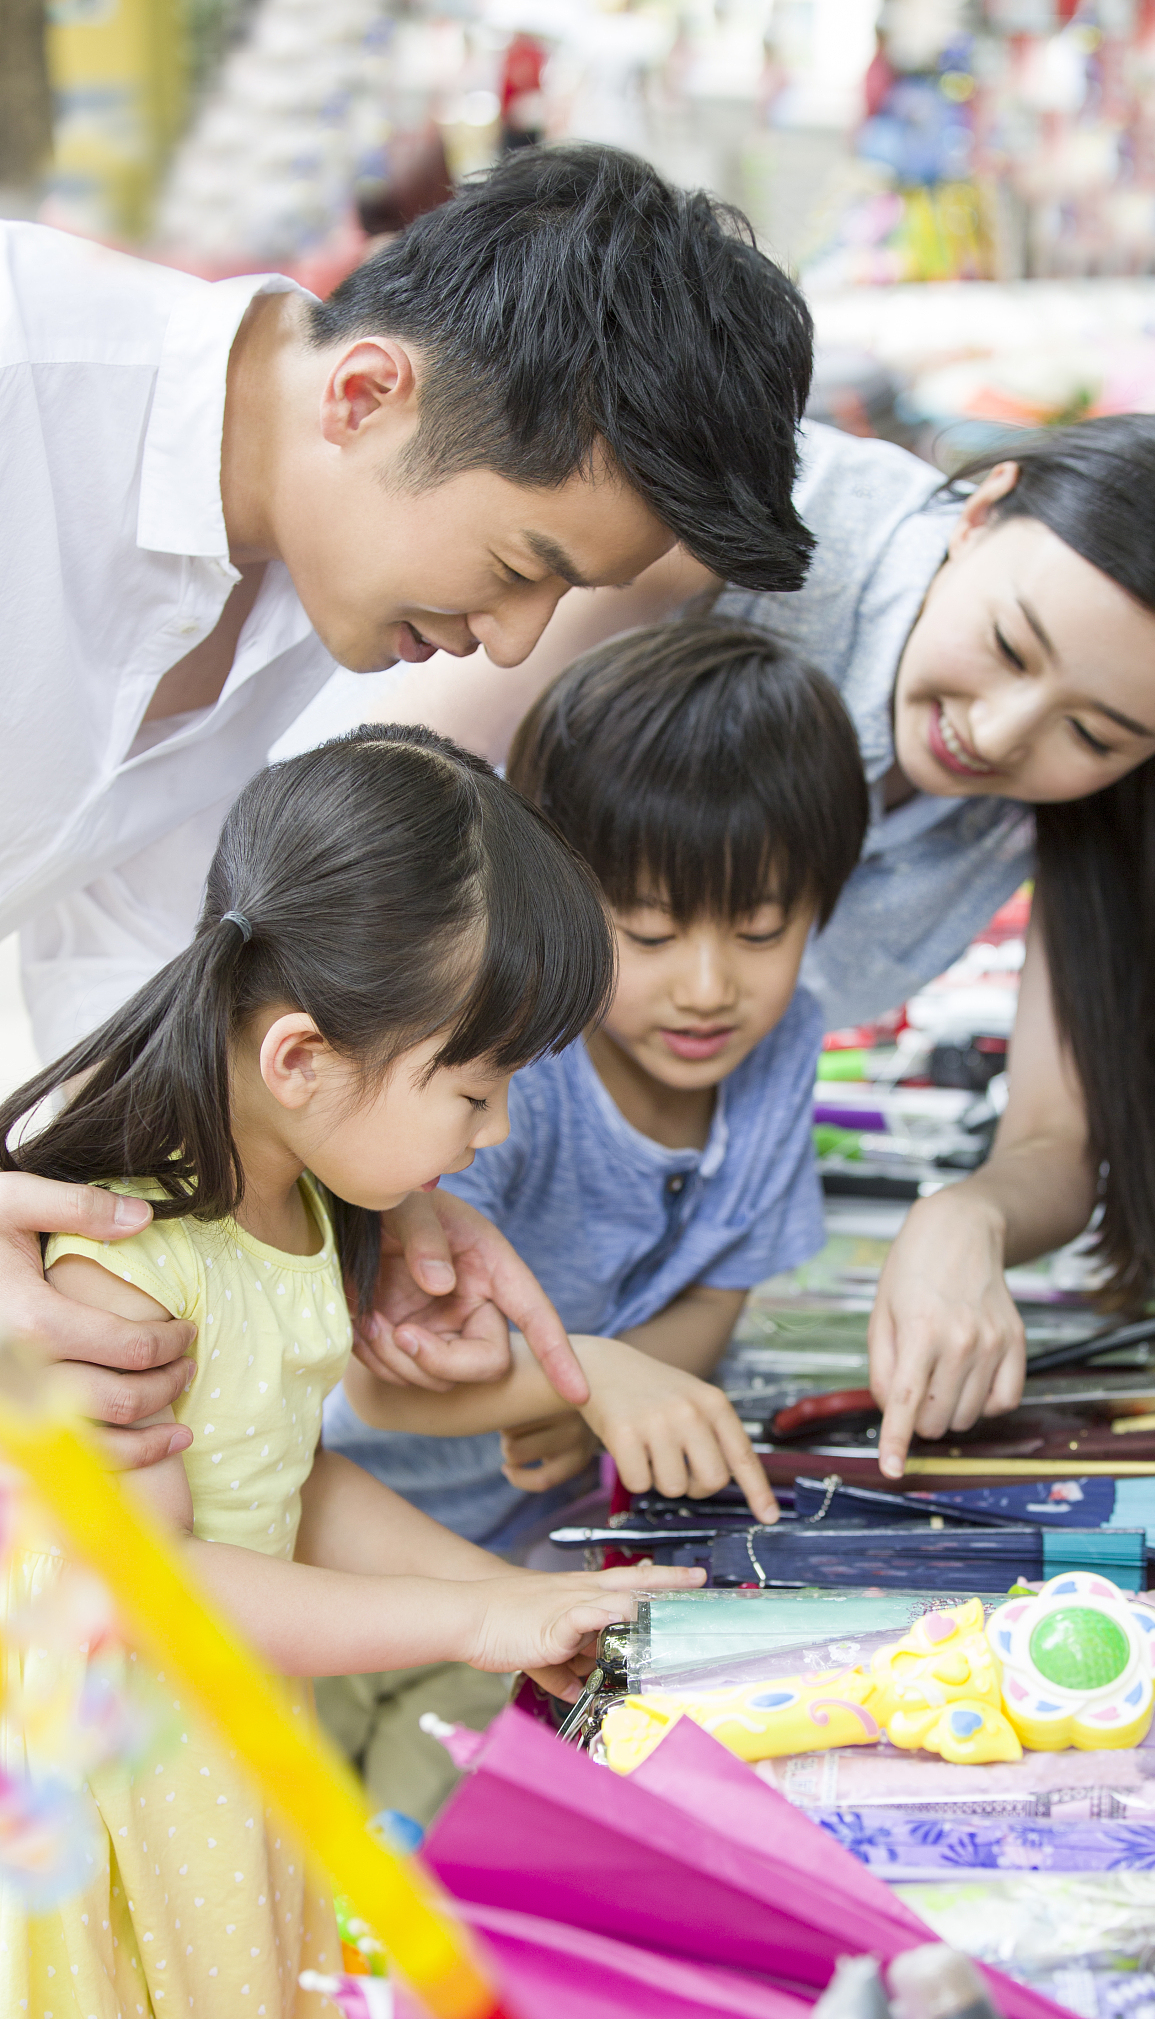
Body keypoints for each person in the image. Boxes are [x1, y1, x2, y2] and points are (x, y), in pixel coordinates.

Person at [0, 141, 814, 1466]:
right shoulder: (22, 385)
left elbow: (125, 960)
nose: (508, 643)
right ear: (369, 393)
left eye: (561, 602)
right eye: (517, 566)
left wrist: (339, 1171)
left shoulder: (306, 576)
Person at [363, 411, 1155, 1476]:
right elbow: (365, 818)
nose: (999, 730)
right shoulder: (732, 522)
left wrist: (965, 1215)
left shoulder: (789, 1035)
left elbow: (1052, 1143)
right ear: (982, 507)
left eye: (1094, 735)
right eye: (1012, 646)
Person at [0, 724, 701, 2016]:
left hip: (218, 1739)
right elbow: (154, 1595)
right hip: (113, 1766)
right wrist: (477, 1618)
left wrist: (515, 1600)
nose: (491, 1139)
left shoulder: (297, 1204)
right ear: (301, 1058)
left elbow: (280, 1480)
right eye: (472, 1091)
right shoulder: (128, 1260)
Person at [316, 623, 869, 1813]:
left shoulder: (783, 1058)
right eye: (654, 934)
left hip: (525, 1572)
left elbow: (722, 1287)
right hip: (336, 1547)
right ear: (561, 897)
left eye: (762, 929)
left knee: (441, 1849)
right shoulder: (506, 1076)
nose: (711, 984)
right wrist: (592, 1378)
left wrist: (610, 1401)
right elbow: (384, 1385)